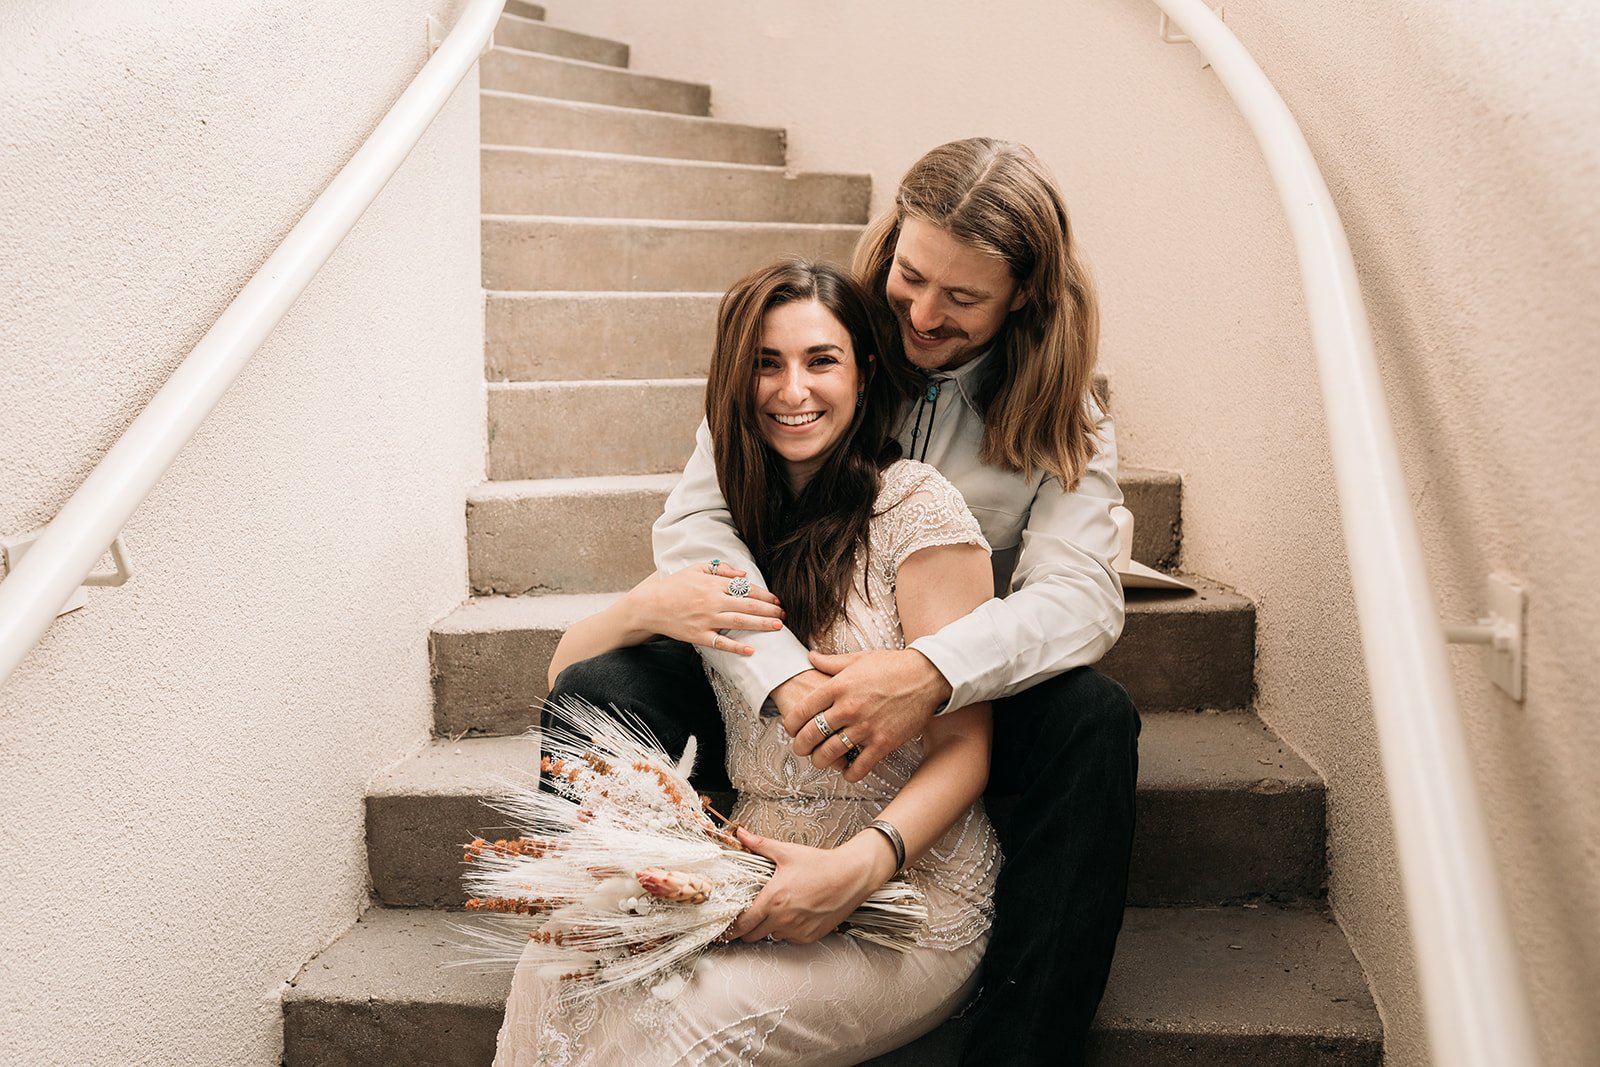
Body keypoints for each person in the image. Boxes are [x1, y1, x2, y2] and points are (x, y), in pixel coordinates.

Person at [554, 138, 1140, 1065]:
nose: (919, 310)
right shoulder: (811, 341)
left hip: (953, 679)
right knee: (604, 678)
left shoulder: (1065, 416)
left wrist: (930, 670)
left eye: (961, 297)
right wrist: (784, 681)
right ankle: (655, 910)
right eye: (911, 275)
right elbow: (699, 525)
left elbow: (1081, 597)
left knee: (1094, 719)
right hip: (776, 656)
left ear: (1021, 294)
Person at [496, 258, 1001, 1064]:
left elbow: (967, 746)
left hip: (906, 892)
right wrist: (648, 606)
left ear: (865, 374)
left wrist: (857, 868)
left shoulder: (917, 507)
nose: (791, 389)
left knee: (671, 1026)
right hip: (750, 875)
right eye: (767, 363)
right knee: (553, 969)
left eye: (819, 360)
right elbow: (569, 675)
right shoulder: (728, 528)